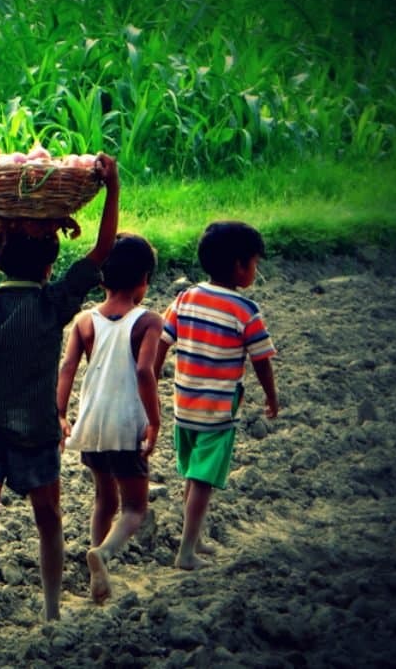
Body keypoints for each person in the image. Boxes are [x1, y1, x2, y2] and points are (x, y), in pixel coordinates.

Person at [0, 153, 119, 657]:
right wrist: (112, 188)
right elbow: (101, 252)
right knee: (50, 518)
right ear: (49, 264)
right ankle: (53, 610)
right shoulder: (53, 304)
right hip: (37, 430)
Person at [154, 220, 278, 571]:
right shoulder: (245, 310)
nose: (255, 269)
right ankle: (187, 551)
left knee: (194, 476)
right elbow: (262, 361)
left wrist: (150, 376)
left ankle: (194, 538)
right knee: (203, 480)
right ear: (239, 265)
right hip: (217, 411)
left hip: (184, 405)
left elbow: (163, 341)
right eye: (255, 262)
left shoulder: (186, 297)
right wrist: (271, 397)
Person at [56, 234, 162, 603]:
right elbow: (146, 372)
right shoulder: (148, 321)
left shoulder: (84, 320)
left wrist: (60, 413)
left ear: (101, 278)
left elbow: (68, 367)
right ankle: (103, 553)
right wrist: (155, 420)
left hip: (91, 423)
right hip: (126, 423)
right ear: (144, 280)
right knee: (134, 507)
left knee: (104, 499)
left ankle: (94, 577)